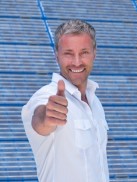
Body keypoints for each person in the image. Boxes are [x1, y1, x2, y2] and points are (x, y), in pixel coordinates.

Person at [21, 19, 109, 182]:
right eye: (68, 53)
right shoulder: (47, 96)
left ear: (94, 54)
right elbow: (40, 121)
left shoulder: (95, 102)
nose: (77, 62)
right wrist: (47, 116)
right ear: (57, 56)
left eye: (84, 52)